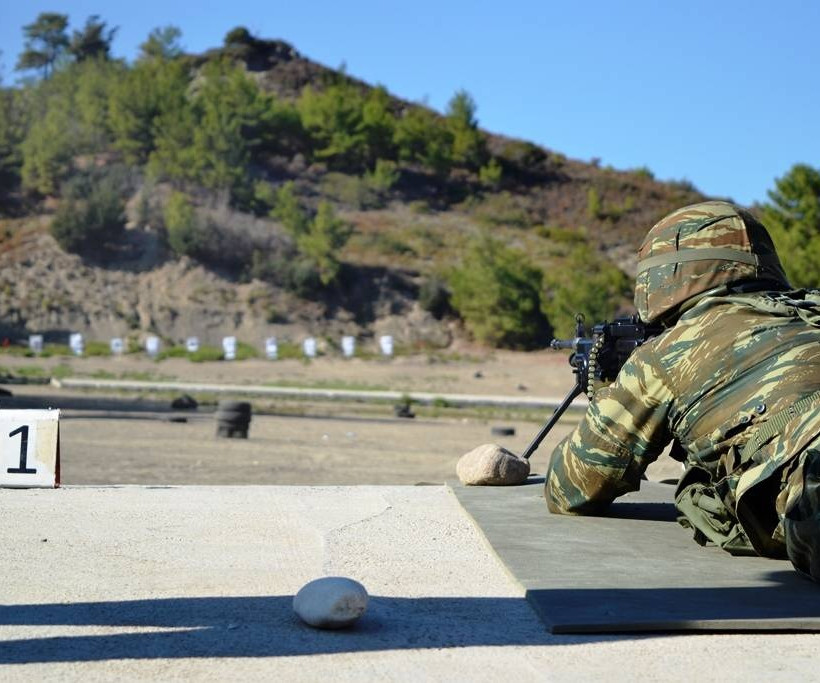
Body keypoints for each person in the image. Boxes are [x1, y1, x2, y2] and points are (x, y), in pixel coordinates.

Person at [545, 200, 820, 582]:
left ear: (665, 274)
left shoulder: (665, 355)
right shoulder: (811, 308)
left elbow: (571, 487)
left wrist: (615, 392)